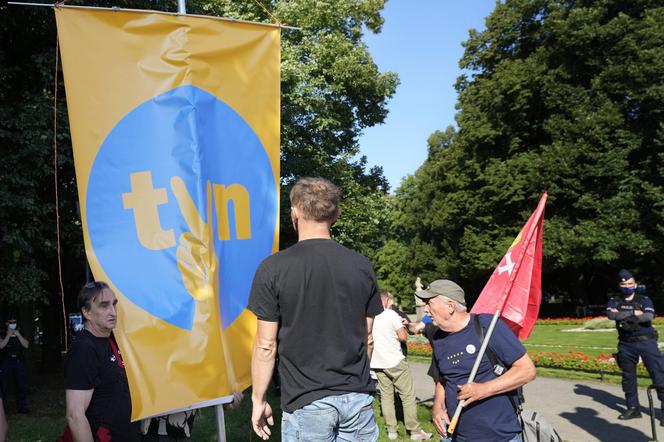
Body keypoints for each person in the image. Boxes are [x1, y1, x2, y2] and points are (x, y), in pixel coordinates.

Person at [248, 177, 383, 442]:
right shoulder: (361, 266)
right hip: (357, 397)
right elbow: (367, 338)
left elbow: (266, 345)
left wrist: (258, 399)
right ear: (337, 213)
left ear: (294, 213)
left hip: (307, 400)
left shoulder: (273, 268)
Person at [418, 279, 536, 442]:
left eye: (429, 303)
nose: (425, 309)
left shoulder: (486, 325)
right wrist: (438, 407)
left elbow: (527, 371)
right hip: (454, 435)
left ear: (450, 306)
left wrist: (484, 389)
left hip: (498, 436)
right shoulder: (438, 337)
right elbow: (443, 379)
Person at [64, 281, 141, 441]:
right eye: (104, 306)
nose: (113, 312)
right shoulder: (84, 348)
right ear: (87, 312)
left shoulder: (112, 340)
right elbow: (75, 415)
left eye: (114, 304)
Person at [372, 291, 431, 440]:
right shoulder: (391, 315)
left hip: (378, 362)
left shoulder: (369, 316)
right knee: (408, 396)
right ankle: (414, 431)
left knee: (386, 396)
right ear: (386, 301)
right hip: (395, 360)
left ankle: (391, 430)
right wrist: (403, 327)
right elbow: (403, 337)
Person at [607, 269, 664, 421]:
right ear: (619, 285)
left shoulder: (644, 299)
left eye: (630, 283)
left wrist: (624, 313)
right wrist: (635, 313)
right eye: (623, 284)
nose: (627, 286)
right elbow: (611, 315)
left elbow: (648, 316)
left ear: (635, 284)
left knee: (659, 375)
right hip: (626, 344)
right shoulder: (614, 299)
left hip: (647, 342)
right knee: (628, 378)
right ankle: (633, 408)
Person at [0, 317, 29, 413]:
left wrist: (18, 335)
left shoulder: (21, 333)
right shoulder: (2, 334)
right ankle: (3, 409)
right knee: (3, 386)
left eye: (14, 322)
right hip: (6, 362)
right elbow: (1, 346)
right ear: (7, 323)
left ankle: (22, 408)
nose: (13, 324)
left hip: (19, 362)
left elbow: (26, 345)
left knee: (21, 385)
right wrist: (8, 335)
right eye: (11, 322)